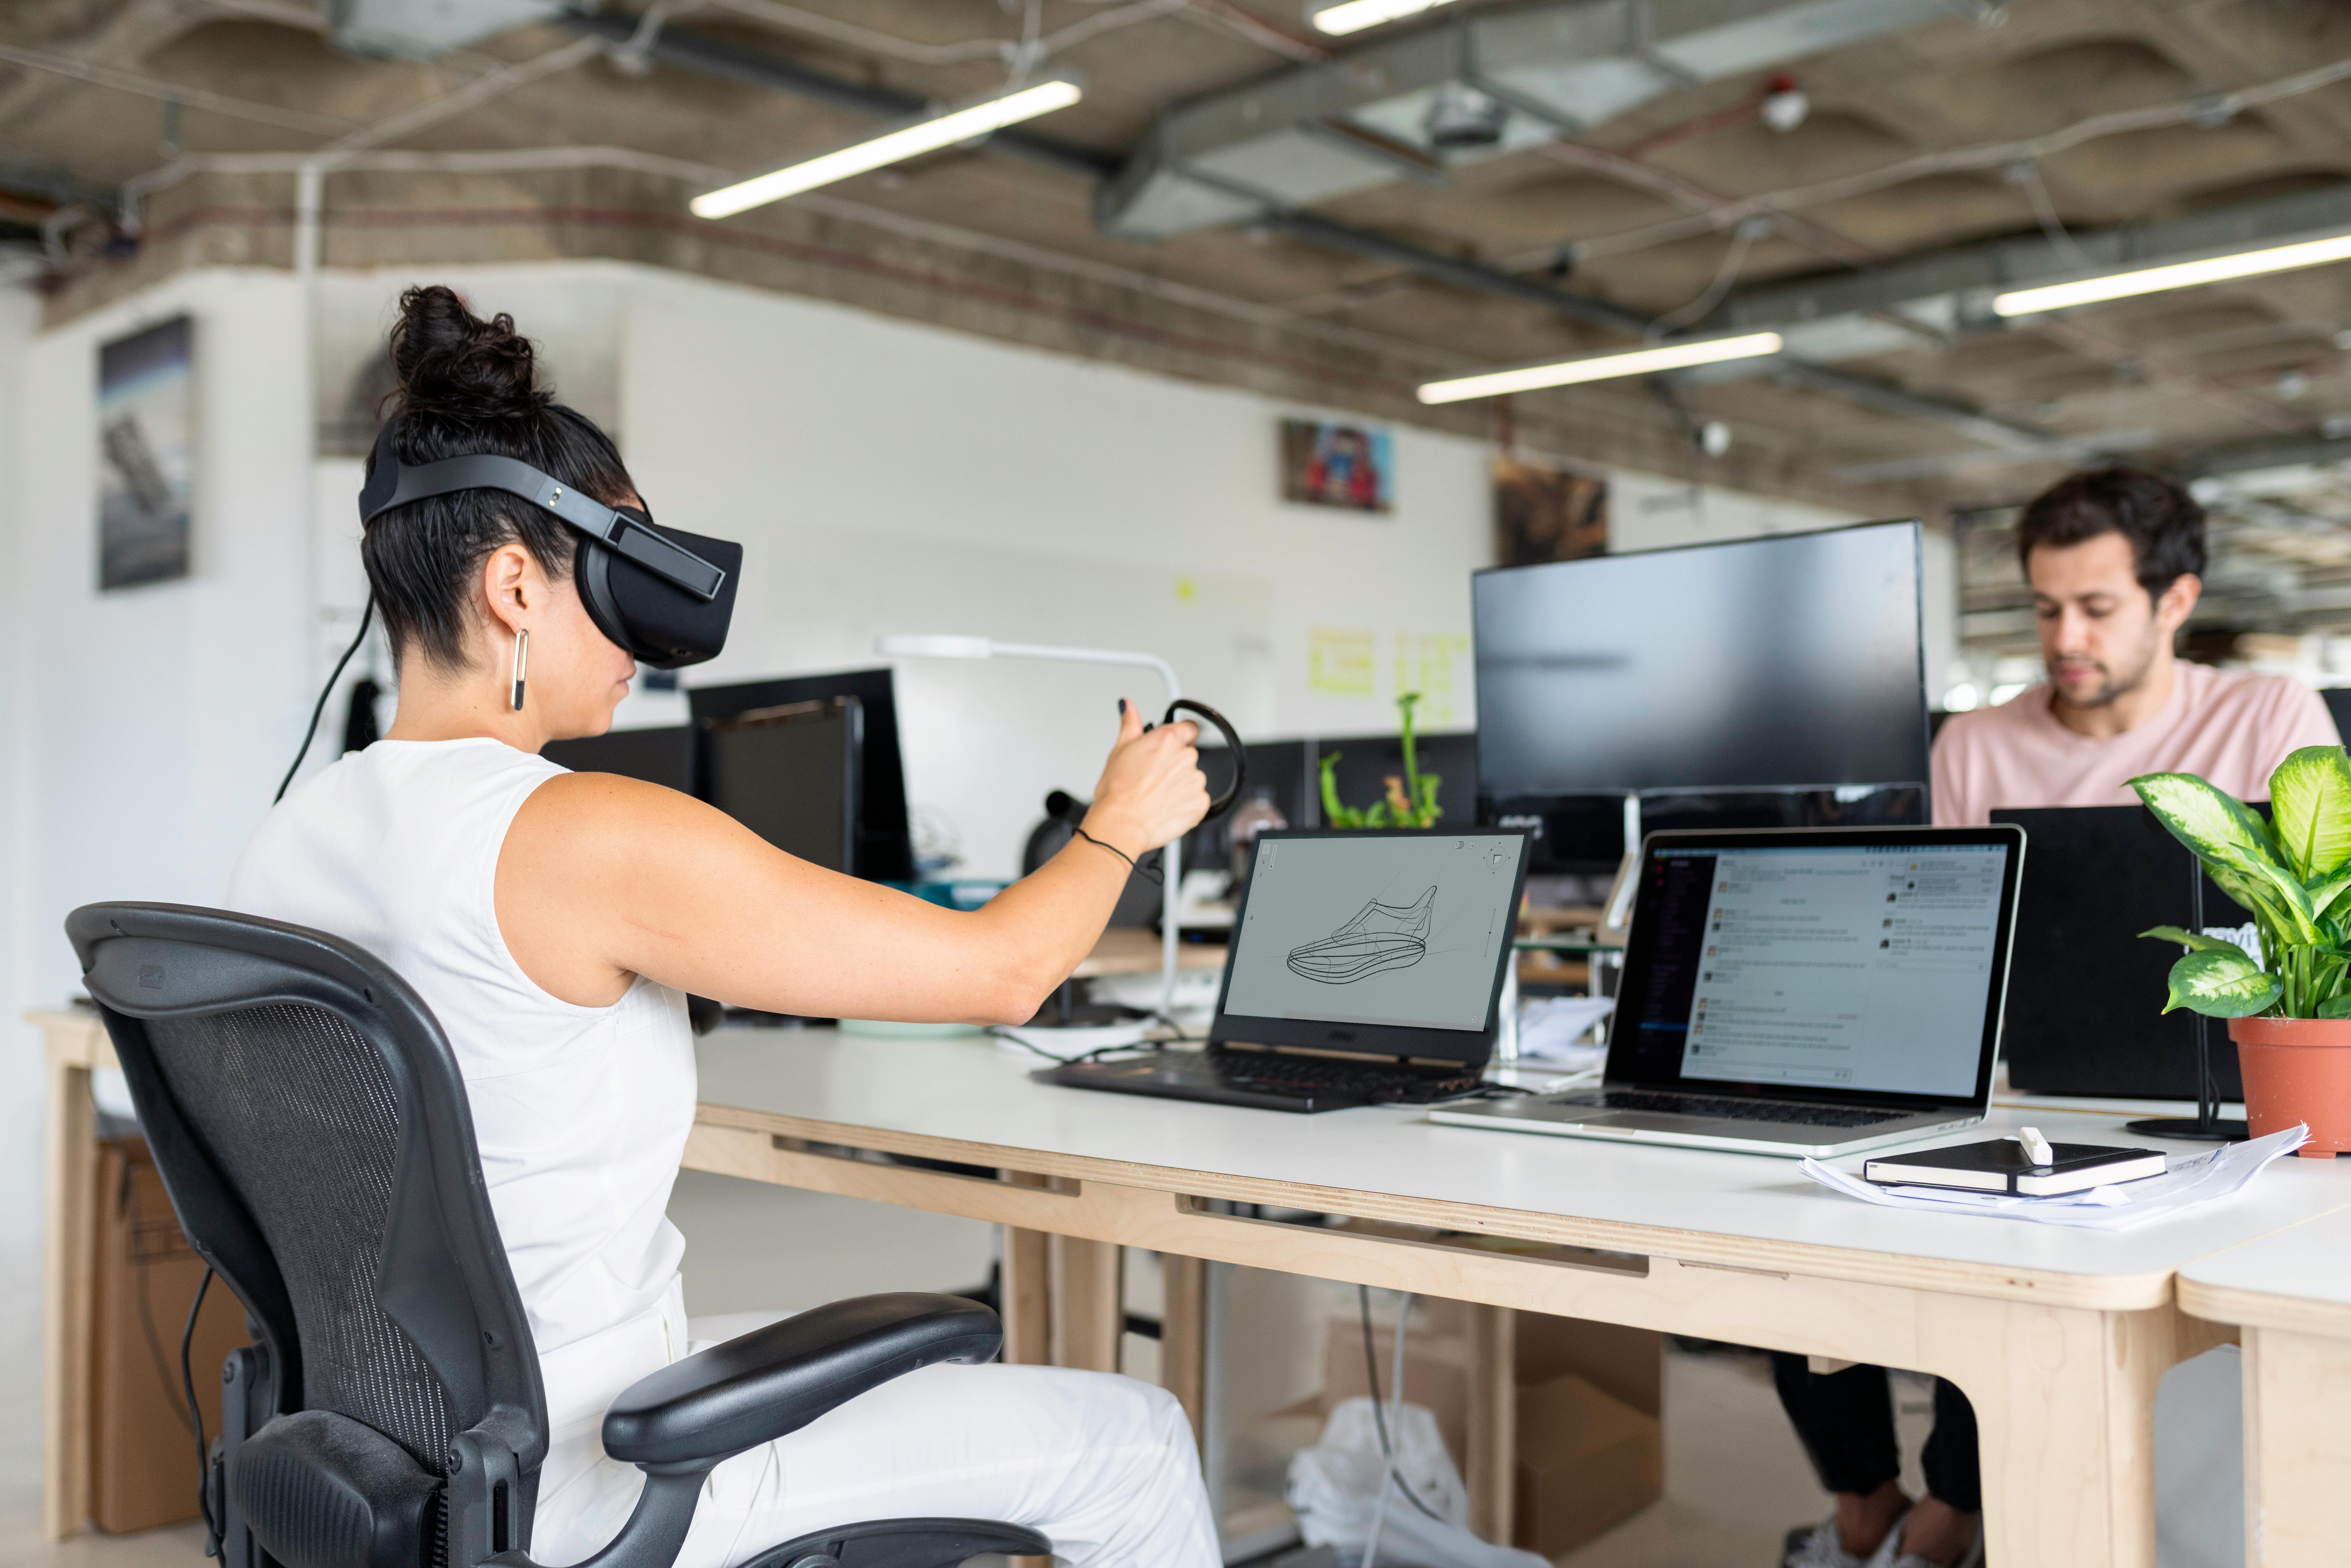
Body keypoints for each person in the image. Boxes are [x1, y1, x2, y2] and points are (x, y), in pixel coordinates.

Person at [228, 286, 1221, 1568]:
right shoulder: (582, 834)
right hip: (588, 1467)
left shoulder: (287, 837)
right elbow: (1011, 969)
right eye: (616, 568)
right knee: (1130, 1439)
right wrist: (1118, 827)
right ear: (518, 585)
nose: (646, 638)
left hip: (402, 1448)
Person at [1774, 464, 2341, 1568]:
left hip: (2213, 1101)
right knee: (1800, 1225)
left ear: (2174, 601)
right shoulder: (1973, 747)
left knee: (2035, 1276)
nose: (2064, 637)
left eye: (2096, 608)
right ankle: (1872, 1507)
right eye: (2044, 610)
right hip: (2018, 1090)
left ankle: (1944, 1521)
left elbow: (2316, 941)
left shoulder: (2269, 717)